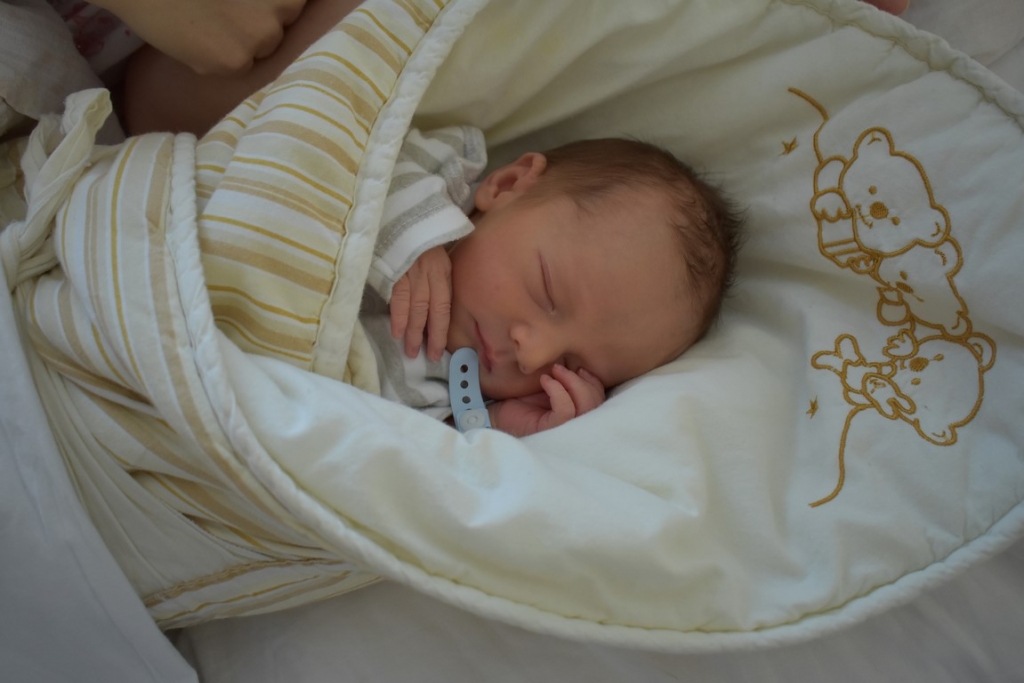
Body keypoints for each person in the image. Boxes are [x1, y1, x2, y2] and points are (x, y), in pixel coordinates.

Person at [362, 127, 742, 436]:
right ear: (508, 185)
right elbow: (359, 149)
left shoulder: (454, 396)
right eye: (546, 294)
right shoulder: (440, 170)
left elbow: (405, 452)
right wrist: (417, 236)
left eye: (569, 365)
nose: (533, 356)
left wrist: (494, 423)